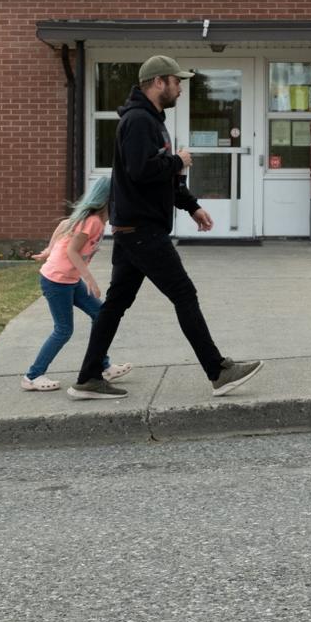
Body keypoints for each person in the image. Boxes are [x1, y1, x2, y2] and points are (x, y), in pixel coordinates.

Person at [67, 55, 263, 400]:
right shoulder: (140, 121)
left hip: (133, 229)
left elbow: (161, 178)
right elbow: (142, 170)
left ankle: (87, 378)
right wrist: (179, 161)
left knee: (115, 305)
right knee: (183, 294)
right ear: (159, 82)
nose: (181, 88)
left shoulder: (151, 120)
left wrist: (192, 206)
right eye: (177, 81)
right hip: (142, 230)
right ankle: (218, 371)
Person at [22, 177, 133, 391]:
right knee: (63, 330)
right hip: (56, 282)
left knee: (101, 315)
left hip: (69, 280)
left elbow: (65, 225)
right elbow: (72, 251)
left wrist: (48, 250)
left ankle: (103, 365)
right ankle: (32, 376)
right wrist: (90, 279)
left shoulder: (96, 221)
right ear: (109, 199)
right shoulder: (93, 221)